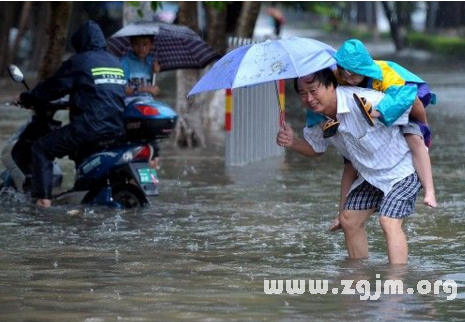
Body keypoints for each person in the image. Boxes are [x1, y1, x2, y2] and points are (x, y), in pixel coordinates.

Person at [277, 68, 422, 264]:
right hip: (371, 176)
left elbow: (410, 102)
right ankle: (357, 278)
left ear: (331, 86)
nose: (309, 98)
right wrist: (293, 142)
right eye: (303, 93)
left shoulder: (362, 99)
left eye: (313, 90)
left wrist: (424, 131)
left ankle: (396, 285)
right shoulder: (317, 117)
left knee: (388, 221)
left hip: (402, 170)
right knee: (348, 220)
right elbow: (316, 149)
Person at [19, 20, 127, 208]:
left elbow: (52, 88)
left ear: (80, 42)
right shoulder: (114, 62)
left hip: (89, 127)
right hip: (116, 128)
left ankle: (43, 201)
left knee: (41, 149)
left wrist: (27, 97)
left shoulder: (80, 61)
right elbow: (101, 93)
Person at [120, 35, 161, 169]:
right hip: (132, 108)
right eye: (137, 44)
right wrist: (141, 88)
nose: (141, 48)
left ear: (151, 45)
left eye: (145, 44)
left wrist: (156, 74)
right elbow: (121, 89)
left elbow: (152, 88)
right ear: (131, 45)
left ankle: (152, 164)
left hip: (148, 108)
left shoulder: (152, 63)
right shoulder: (125, 63)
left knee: (153, 146)